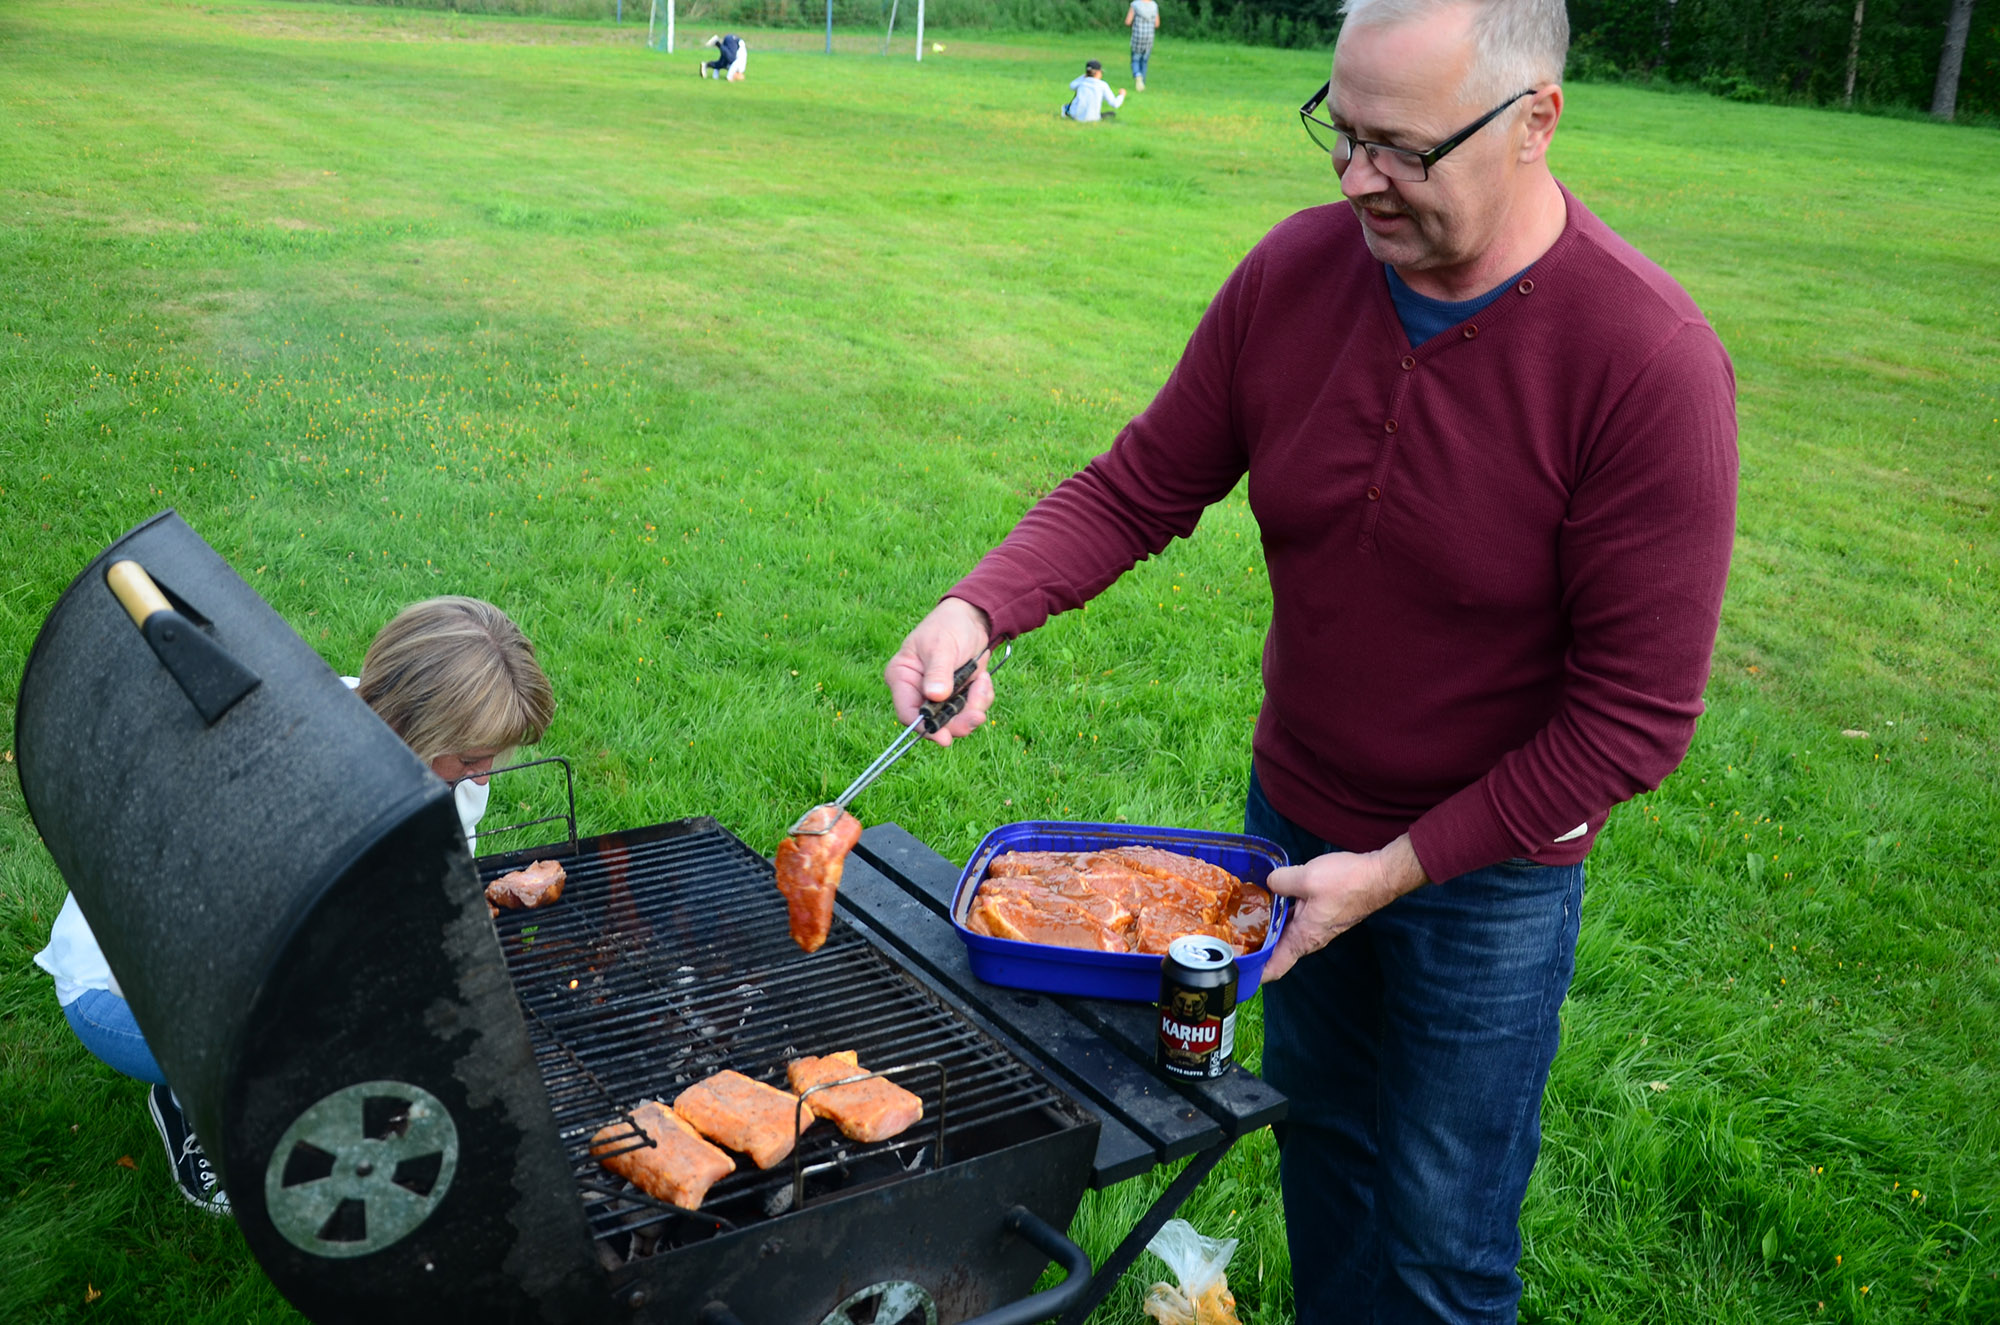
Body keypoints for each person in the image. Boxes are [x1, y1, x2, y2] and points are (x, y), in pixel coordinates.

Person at [885, 0, 1738, 1318]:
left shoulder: (1646, 363)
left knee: (1445, 1242)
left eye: (1398, 148)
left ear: (1536, 121)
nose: (1355, 179)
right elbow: (1140, 485)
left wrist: (1393, 874)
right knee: (1325, 1162)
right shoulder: (1297, 275)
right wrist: (978, 610)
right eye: (1338, 134)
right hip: (1291, 838)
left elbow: (1633, 722)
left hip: (1487, 882)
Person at [33, 596, 555, 1215]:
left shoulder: (449, 773)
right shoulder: (274, 766)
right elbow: (204, 956)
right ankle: (188, 1104)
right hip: (133, 989)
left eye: (491, 757)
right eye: (471, 759)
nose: (485, 775)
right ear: (421, 727)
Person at [1125, 0, 1160, 90]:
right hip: (1149, 37)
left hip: (1137, 36)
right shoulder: (1154, 5)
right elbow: (1157, 24)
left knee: (1135, 60)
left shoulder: (1135, 5)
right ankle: (1142, 84)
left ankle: (1137, 74)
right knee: (1144, 61)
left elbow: (1128, 21)